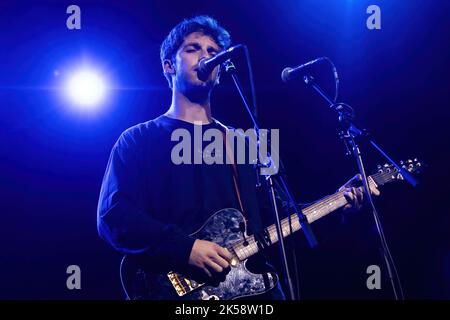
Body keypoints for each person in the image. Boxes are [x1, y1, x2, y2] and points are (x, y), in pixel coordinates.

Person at [97, 15, 377, 300]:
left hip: (250, 293)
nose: (206, 56)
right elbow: (114, 215)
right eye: (193, 48)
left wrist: (339, 202)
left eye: (213, 52)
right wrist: (184, 249)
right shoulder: (139, 139)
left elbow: (283, 217)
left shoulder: (244, 143)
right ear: (169, 65)